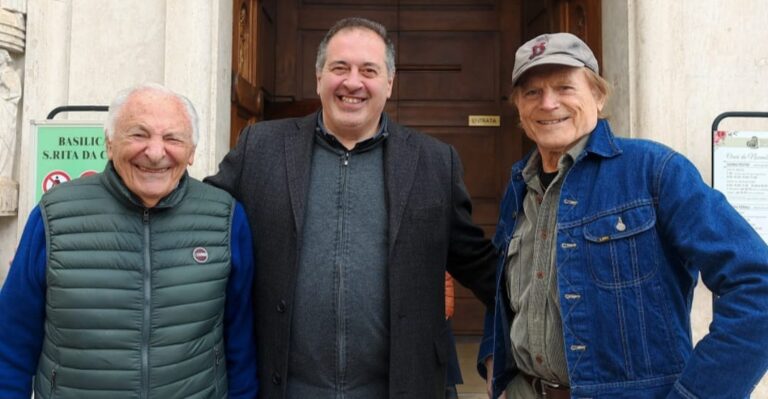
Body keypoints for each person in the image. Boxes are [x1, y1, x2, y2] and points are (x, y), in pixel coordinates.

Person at [206, 17, 497, 399]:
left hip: (401, 388)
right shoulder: (260, 148)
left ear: (389, 83)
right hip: (284, 387)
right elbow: (201, 220)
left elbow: (479, 264)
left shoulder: (435, 162)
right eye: (339, 68)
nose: (352, 82)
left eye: (369, 71)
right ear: (318, 77)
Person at [479, 32, 768, 399]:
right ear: (518, 105)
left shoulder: (655, 171)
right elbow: (504, 294)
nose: (548, 103)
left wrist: (698, 394)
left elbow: (758, 286)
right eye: (532, 92)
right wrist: (495, 369)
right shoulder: (519, 185)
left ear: (598, 96)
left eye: (565, 87)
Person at [0, 83, 259, 398]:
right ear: (109, 144)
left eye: (173, 138)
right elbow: (10, 346)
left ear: (191, 152)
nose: (154, 152)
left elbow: (241, 346)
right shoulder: (54, 216)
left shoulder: (226, 219)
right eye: (138, 134)